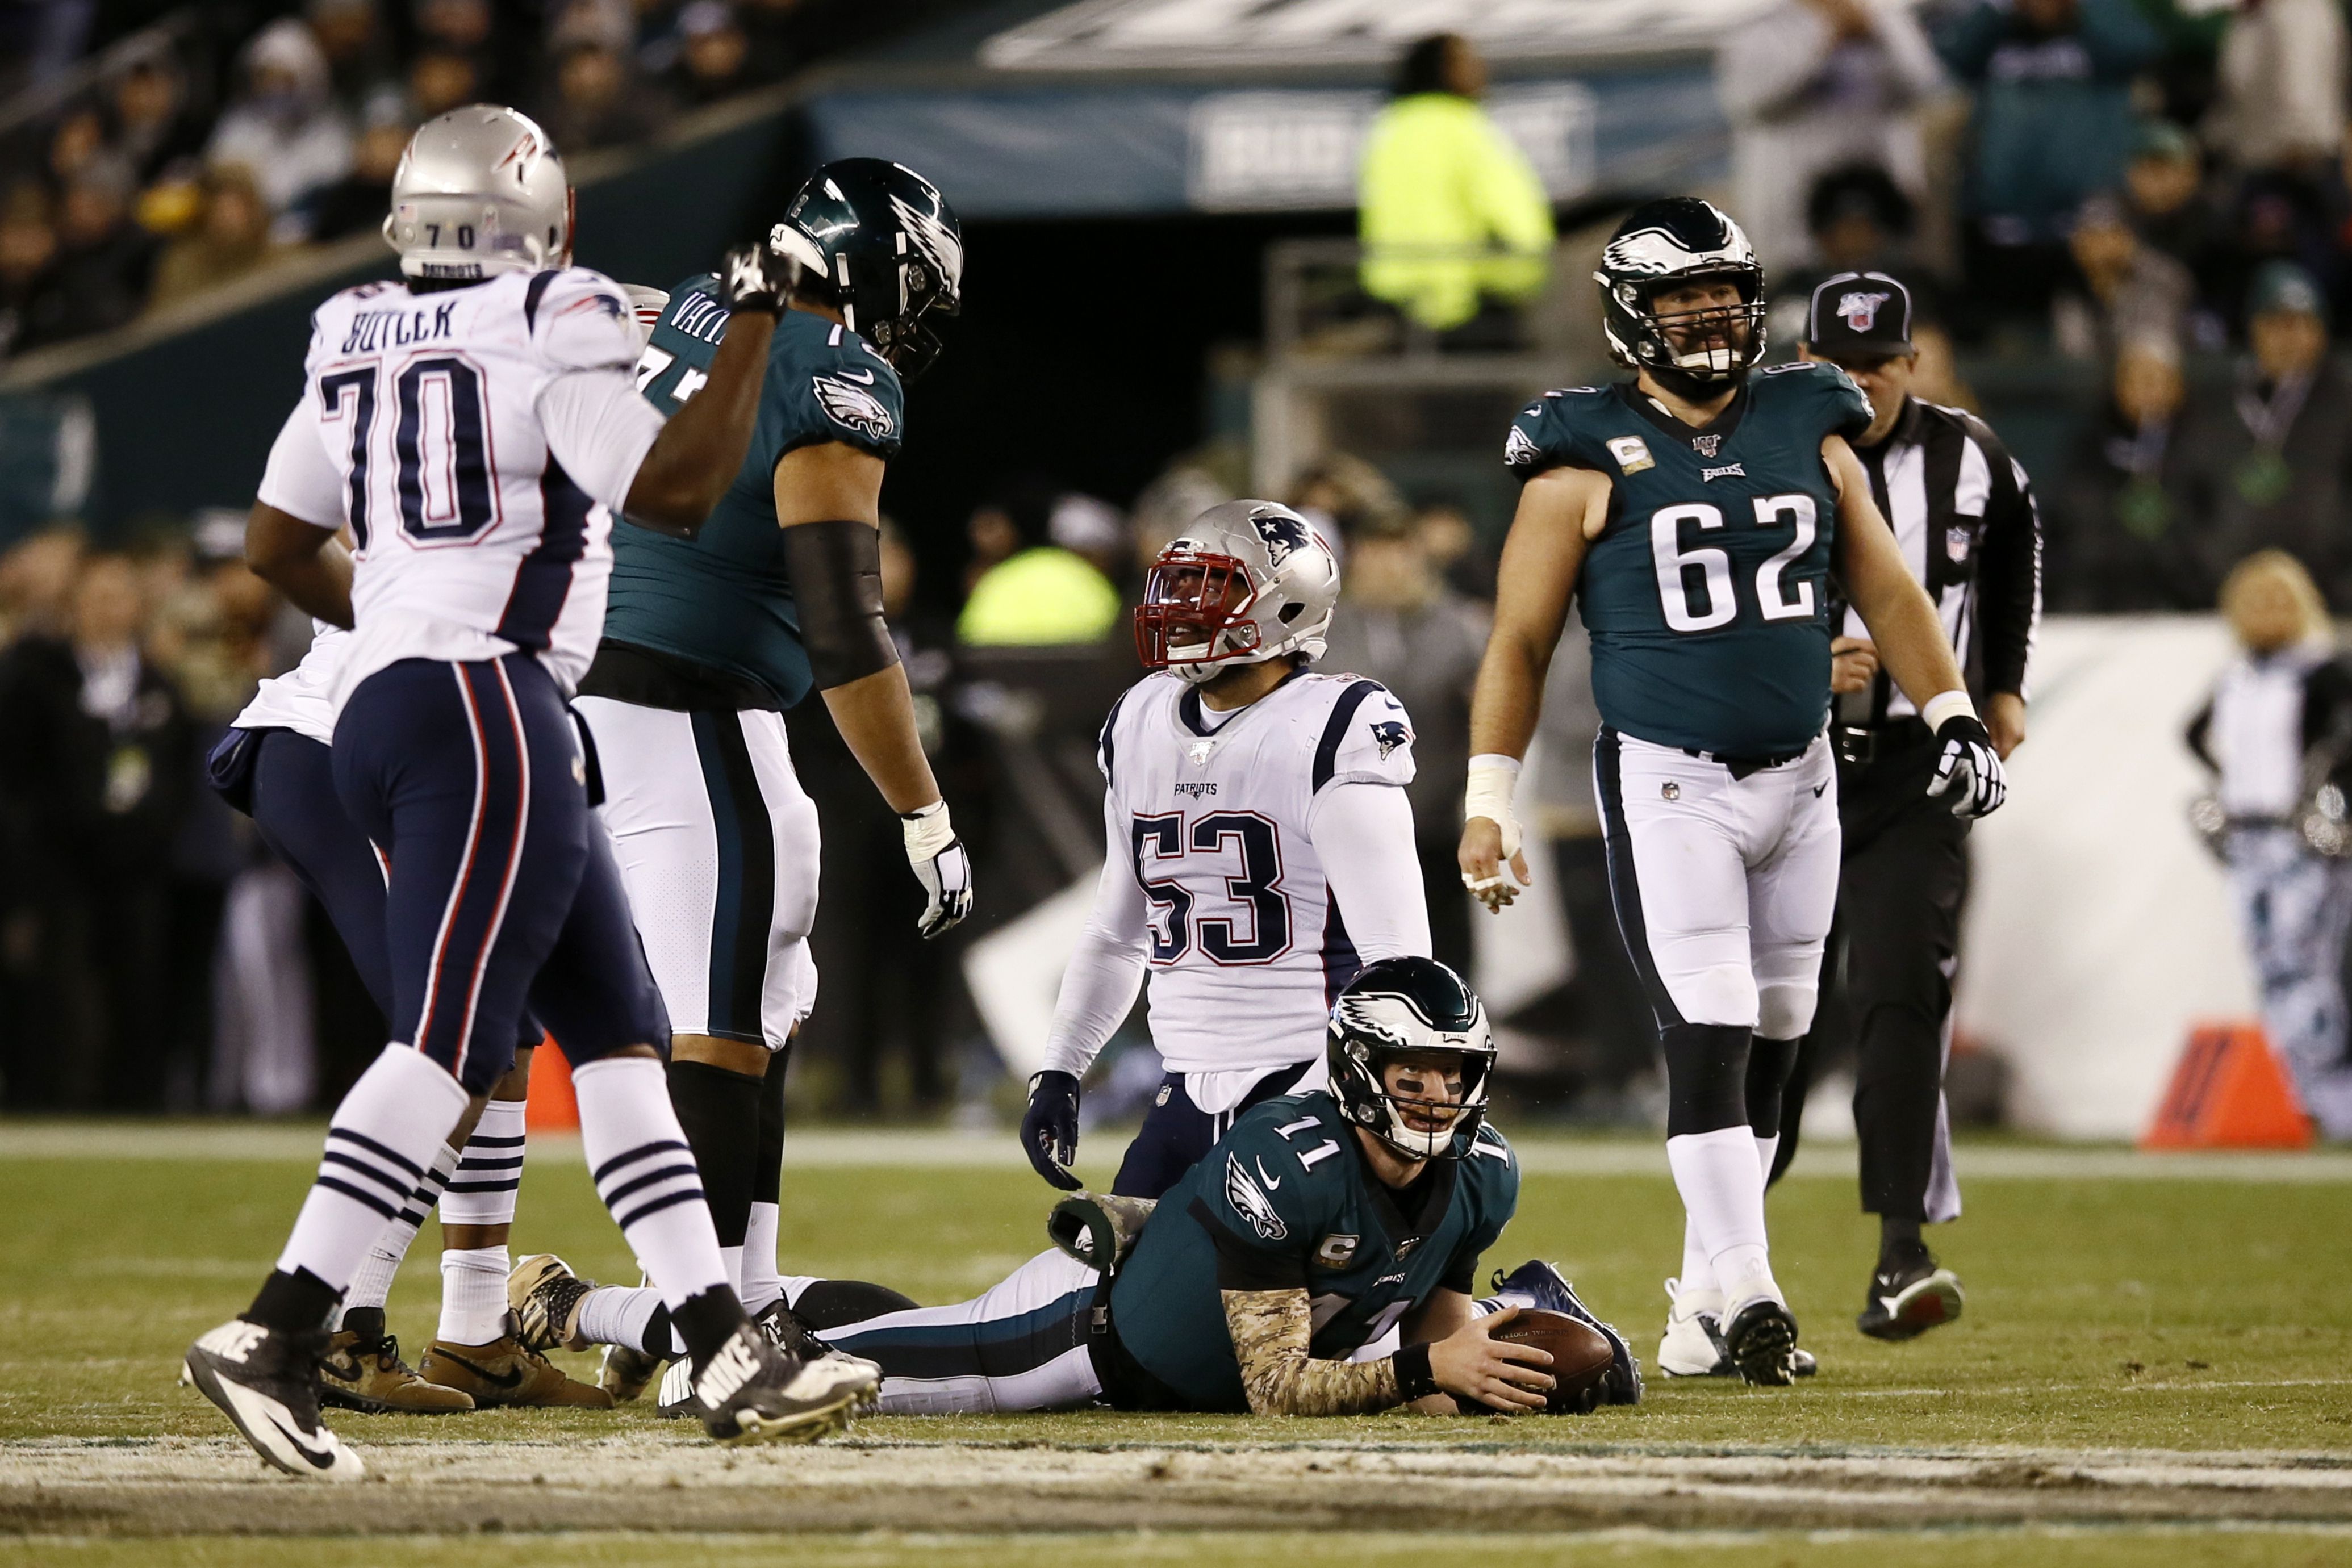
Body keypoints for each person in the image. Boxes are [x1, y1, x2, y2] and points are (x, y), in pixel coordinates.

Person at [179, 103, 876, 1481]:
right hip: (484, 695)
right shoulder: (554, 316)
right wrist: (745, 324)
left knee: (620, 1034)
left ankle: (723, 1338)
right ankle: (276, 1327)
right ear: (544, 218)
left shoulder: (350, 327)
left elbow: (275, 535)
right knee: (450, 1041)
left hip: (411, 694)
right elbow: (675, 486)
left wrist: (387, 624)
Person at [1458, 198, 2006, 1386]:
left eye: (1725, 294)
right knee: (1704, 1026)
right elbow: (1518, 642)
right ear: (1625, 316)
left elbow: (1891, 592)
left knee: (1772, 1037)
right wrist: (1487, 796)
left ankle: (1702, 1302)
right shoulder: (1577, 449)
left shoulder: (1812, 414)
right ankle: (1754, 1291)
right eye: (1680, 299)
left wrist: (1954, 711)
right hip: (1670, 779)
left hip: (1803, 776)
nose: (1709, 319)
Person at [559, 158, 975, 1401]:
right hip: (683, 708)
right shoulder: (835, 370)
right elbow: (846, 623)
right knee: (723, 1031)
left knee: (763, 1000)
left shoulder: (698, 301)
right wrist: (922, 807)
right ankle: (706, 1346)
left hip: (592, 692)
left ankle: (737, 1296)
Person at [524, 959, 1638, 1416]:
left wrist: (1475, 1354)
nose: (1439, 1099)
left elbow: (1423, 1294)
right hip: (1076, 1342)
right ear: (1357, 1073)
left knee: (867, 1322)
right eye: (1414, 1076)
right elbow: (1275, 1384)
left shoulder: (1486, 1173)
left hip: (1175, 1306)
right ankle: (575, 1307)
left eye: (1457, 1077)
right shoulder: (1287, 1156)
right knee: (797, 1377)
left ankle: (600, 1307)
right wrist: (1424, 1371)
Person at [1004, 499, 1424, 1203]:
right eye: (1175, 584)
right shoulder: (1140, 717)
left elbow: (1400, 963)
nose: (1182, 605)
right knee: (1115, 1305)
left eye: (1213, 586)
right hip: (1186, 1086)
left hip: (1306, 1080)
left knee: (1286, 1311)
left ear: (1287, 605)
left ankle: (1506, 1308)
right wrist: (1060, 1068)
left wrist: (1348, 1102)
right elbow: (1116, 935)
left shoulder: (1333, 725)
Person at [1785, 271, 2041, 1341]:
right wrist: (1800, 659)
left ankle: (1902, 1250)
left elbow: (2013, 559)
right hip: (1783, 767)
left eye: (1878, 363)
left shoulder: (1973, 456)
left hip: (1914, 772)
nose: (1861, 382)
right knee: (1773, 1019)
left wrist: (2003, 689)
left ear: (1911, 363)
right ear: (1806, 366)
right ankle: (1724, 1260)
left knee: (1900, 996)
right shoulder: (1761, 453)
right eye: (1838, 365)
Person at [2186, 551, 2352, 1139]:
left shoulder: (2322, 671)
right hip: (2249, 836)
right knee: (2269, 961)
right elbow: (2193, 733)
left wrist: (2328, 801)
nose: (2267, 613)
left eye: (2279, 600)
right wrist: (2225, 788)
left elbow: (2340, 746)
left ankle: (2335, 1098)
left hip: (2299, 838)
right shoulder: (2237, 677)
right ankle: (2299, 1093)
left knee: (2314, 964)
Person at [1938, 0, 2158, 318]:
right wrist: (1999, 9)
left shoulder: (2100, 29)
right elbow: (1953, 56)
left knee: (2086, 331)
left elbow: (2138, 48)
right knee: (2009, 334)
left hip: (2087, 223)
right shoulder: (1996, 36)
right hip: (2004, 222)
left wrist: (2083, 8)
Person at [1716, 0, 1945, 276]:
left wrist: (1877, 33)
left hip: (1878, 189)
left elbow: (1925, 85)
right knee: (1798, 288)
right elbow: (1750, 102)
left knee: (1887, 283)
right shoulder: (1762, 26)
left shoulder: (1885, 20)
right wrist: (1827, 39)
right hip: (1792, 192)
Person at [1357, 32, 1553, 340]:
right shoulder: (1463, 128)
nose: (1480, 71)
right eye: (1467, 62)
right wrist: (1527, 269)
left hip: (1400, 301)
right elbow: (1510, 211)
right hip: (1469, 302)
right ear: (1443, 69)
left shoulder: (1389, 128)